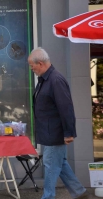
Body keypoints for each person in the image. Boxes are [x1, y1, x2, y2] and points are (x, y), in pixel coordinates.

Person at [28, 47, 89, 199]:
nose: (31, 69)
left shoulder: (55, 80)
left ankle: (48, 196)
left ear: (40, 63)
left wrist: (69, 133)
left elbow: (66, 108)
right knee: (60, 164)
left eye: (32, 66)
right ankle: (79, 192)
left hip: (54, 134)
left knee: (50, 165)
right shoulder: (44, 80)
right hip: (49, 132)